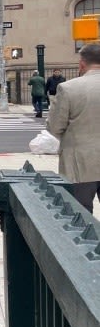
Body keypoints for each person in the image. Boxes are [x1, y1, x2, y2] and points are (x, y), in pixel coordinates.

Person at [46, 43, 100, 213]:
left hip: (81, 164)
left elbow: (55, 127)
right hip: (82, 162)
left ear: (82, 64)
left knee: (80, 215)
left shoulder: (69, 88)